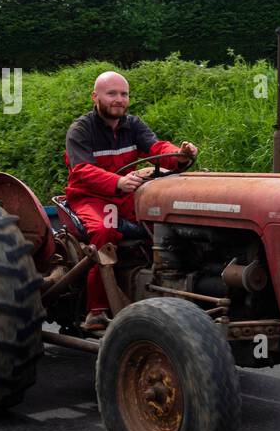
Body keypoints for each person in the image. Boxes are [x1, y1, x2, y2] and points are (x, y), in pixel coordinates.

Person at [64, 70, 196, 331]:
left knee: (165, 222)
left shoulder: (132, 125)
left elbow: (156, 149)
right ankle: (97, 310)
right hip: (92, 196)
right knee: (104, 231)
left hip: (128, 195)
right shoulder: (81, 130)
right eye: (111, 93)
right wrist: (116, 182)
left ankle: (166, 294)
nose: (119, 99)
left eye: (124, 94)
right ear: (96, 96)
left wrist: (179, 155)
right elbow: (82, 172)